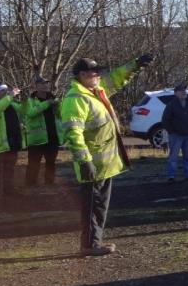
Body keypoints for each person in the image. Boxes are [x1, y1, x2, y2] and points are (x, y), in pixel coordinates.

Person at [60, 54, 154, 256]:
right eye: (94, 72)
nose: (98, 75)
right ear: (82, 75)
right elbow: (73, 133)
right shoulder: (76, 99)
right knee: (92, 206)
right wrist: (84, 161)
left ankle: (94, 242)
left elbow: (116, 78)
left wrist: (135, 64)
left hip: (103, 165)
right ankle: (89, 246)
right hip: (92, 164)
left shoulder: (96, 91)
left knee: (100, 205)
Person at [23, 76, 62, 187]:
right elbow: (30, 113)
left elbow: (60, 116)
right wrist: (47, 104)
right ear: (36, 86)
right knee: (33, 163)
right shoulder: (29, 101)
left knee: (51, 163)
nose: (45, 85)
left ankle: (49, 183)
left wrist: (57, 107)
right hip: (37, 139)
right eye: (42, 83)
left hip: (53, 137)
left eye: (46, 83)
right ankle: (30, 184)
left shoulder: (53, 99)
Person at [161, 83, 188, 182]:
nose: (184, 92)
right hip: (176, 136)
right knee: (173, 157)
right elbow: (165, 120)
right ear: (176, 93)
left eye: (185, 90)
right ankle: (171, 176)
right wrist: (172, 131)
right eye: (181, 91)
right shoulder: (171, 105)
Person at [0, 84, 24, 207]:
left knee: (9, 168)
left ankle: (8, 191)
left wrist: (25, 99)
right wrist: (10, 96)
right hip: (0, 146)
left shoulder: (10, 103)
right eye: (2, 90)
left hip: (11, 142)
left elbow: (24, 110)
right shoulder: (2, 104)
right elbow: (0, 107)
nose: (5, 92)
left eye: (6, 90)